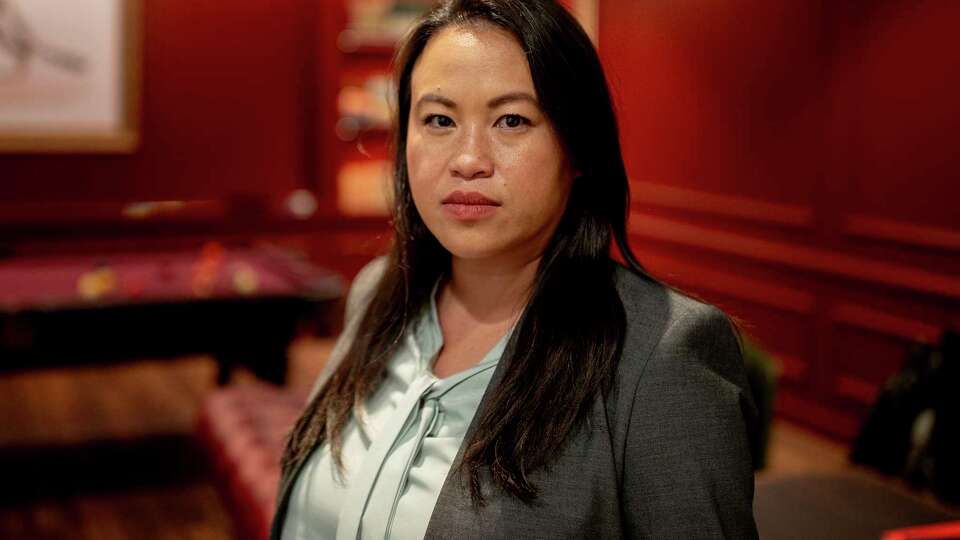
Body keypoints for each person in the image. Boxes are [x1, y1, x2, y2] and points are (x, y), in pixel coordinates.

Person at [273, 0, 759, 538]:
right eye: (439, 119)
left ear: (578, 150)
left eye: (512, 120)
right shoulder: (378, 292)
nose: (468, 158)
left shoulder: (662, 355)